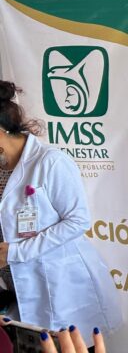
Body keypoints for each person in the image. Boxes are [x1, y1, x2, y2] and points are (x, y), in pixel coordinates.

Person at [0, 81, 120, 349]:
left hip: (60, 288)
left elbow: (77, 221)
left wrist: (16, 252)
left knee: (72, 346)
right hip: (15, 290)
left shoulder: (50, 162)